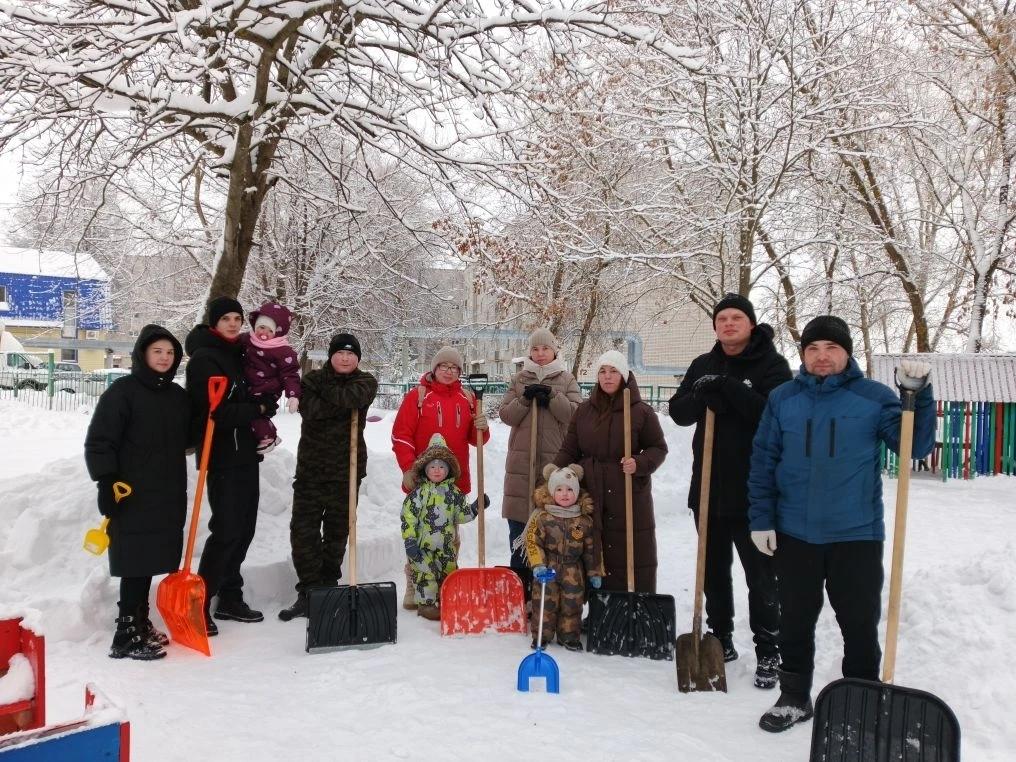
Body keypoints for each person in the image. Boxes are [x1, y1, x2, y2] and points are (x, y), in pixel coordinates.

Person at [748, 315, 934, 732]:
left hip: (857, 534)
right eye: (812, 349)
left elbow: (914, 446)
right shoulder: (782, 399)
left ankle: (861, 700)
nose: (822, 356)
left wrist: (917, 398)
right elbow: (763, 461)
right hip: (795, 532)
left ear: (846, 352)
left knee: (858, 621)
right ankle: (794, 697)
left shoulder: (874, 397)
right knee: (794, 619)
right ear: (803, 356)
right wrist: (761, 519)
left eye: (831, 348)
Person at [668, 293, 792, 689]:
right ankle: (720, 637)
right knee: (714, 573)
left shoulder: (772, 365)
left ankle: (769, 649)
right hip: (707, 489)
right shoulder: (703, 364)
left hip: (755, 493)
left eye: (737, 317)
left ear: (751, 324)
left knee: (762, 576)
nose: (728, 324)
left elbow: (772, 411)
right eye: (722, 319)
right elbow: (678, 411)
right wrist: (703, 392)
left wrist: (729, 388)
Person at [84, 325, 191, 660]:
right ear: (143, 354)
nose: (164, 358)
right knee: (134, 559)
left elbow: (188, 439)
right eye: (157, 351)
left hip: (167, 488)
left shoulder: (177, 397)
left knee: (150, 558)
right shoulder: (123, 392)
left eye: (170, 353)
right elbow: (101, 440)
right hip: (130, 490)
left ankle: (140, 623)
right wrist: (105, 480)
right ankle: (125, 633)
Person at [185, 296, 274, 635]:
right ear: (214, 323)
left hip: (246, 453)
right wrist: (259, 410)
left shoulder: (240, 353)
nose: (234, 323)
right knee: (226, 531)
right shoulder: (205, 360)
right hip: (221, 454)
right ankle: (199, 602)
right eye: (227, 319)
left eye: (238, 317)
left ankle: (230, 596)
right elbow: (215, 413)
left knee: (245, 527)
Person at [279, 333, 378, 621]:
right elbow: (311, 410)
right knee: (303, 531)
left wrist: (336, 398)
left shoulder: (366, 382)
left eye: (351, 354)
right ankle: (308, 591)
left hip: (346, 471)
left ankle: (328, 587)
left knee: (336, 534)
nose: (345, 358)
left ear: (357, 358)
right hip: (311, 469)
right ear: (331, 355)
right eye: (340, 353)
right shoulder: (311, 381)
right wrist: (342, 403)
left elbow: (353, 397)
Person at [554, 350, 668, 592]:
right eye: (603, 372)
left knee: (631, 549)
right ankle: (600, 610)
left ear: (624, 375)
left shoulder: (640, 412)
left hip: (628, 491)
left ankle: (635, 607)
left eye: (613, 371)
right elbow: (569, 448)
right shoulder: (584, 411)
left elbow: (658, 448)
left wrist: (639, 463)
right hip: (592, 491)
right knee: (594, 549)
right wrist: (553, 475)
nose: (607, 377)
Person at [391, 345, 490, 609]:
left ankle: (445, 585)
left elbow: (476, 439)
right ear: (434, 369)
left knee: (448, 537)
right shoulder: (418, 396)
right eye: (444, 367)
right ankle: (414, 585)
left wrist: (482, 427)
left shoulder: (467, 399)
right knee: (421, 537)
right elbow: (401, 435)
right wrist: (408, 469)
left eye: (454, 368)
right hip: (422, 480)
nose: (449, 371)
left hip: (454, 482)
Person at [499, 328, 582, 599]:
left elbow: (574, 414)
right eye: (535, 349)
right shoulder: (519, 379)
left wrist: (553, 397)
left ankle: (547, 593)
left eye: (545, 348)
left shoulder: (567, 379)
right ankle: (519, 593)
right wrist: (525, 398)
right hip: (521, 467)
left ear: (555, 351)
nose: (540, 353)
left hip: (552, 465)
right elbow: (506, 415)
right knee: (519, 532)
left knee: (551, 530)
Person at [401, 434, 489, 621]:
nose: (437, 470)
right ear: (425, 469)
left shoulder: (454, 493)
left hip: (447, 546)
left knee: (448, 572)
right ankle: (426, 605)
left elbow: (461, 515)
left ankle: (446, 600)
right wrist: (409, 540)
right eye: (432, 466)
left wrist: (474, 508)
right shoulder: (418, 494)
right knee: (426, 574)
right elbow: (408, 517)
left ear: (448, 470)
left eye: (442, 466)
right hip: (422, 546)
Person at [522, 463, 603, 651]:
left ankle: (569, 636)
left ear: (576, 492)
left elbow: (591, 550)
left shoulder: (584, 521)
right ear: (551, 492)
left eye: (569, 489)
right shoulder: (543, 517)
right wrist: (538, 565)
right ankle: (541, 635)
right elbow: (533, 542)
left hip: (573, 570)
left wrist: (594, 572)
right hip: (547, 569)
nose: (565, 494)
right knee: (544, 604)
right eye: (559, 489)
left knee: (572, 605)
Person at [240, 301, 302, 454]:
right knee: (243, 413)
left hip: (267, 389)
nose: (264, 333)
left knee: (255, 414)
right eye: (261, 327)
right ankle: (267, 434)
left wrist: (293, 395)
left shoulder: (282, 351)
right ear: (255, 327)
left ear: (277, 332)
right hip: (249, 385)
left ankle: (269, 437)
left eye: (270, 330)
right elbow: (229, 343)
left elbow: (290, 374)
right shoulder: (247, 339)